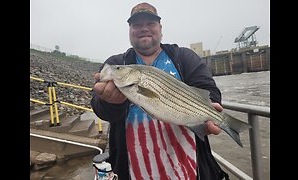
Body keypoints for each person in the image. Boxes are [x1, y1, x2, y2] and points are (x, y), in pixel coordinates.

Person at [91, 2, 229, 180]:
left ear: (160, 28)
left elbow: (208, 90)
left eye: (150, 23)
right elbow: (98, 106)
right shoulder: (117, 62)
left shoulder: (184, 57)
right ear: (130, 30)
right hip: (134, 170)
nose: (144, 29)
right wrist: (109, 103)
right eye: (137, 25)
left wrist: (209, 112)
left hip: (188, 169)